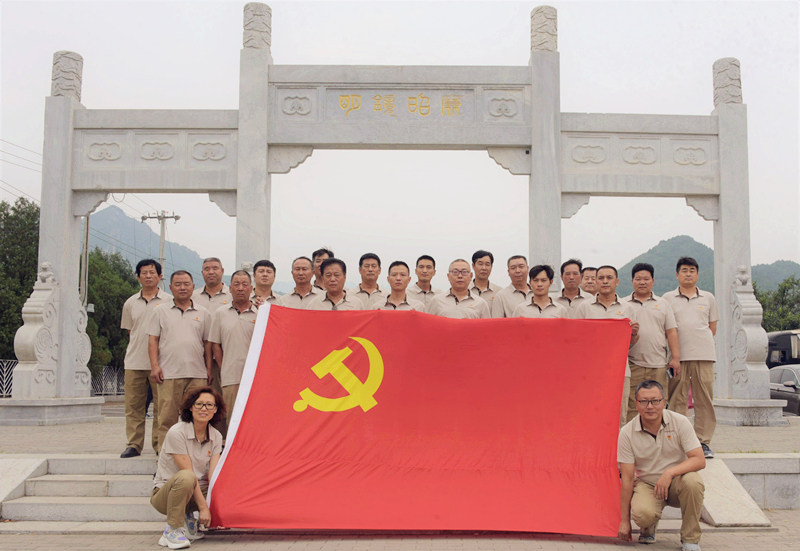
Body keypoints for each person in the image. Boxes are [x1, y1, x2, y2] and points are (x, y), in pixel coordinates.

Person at [618, 380, 705, 551]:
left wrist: (669, 473)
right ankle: (648, 526)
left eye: (655, 401)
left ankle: (690, 539)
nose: (650, 406)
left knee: (693, 482)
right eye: (644, 401)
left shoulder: (680, 422)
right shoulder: (627, 432)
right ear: (636, 403)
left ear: (664, 401)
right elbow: (627, 479)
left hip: (677, 481)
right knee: (643, 515)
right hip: (647, 484)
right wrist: (624, 521)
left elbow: (699, 459)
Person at [150, 386, 226, 549]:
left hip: (195, 492)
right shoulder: (177, 432)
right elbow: (189, 474)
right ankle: (172, 530)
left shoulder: (216, 436)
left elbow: (213, 477)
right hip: (167, 494)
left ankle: (188, 519)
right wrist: (204, 508)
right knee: (187, 477)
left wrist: (220, 509)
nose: (204, 409)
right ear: (191, 407)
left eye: (209, 405)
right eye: (199, 404)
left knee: (227, 482)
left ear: (215, 410)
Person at [147, 270, 212, 454]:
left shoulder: (203, 313)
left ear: (193, 287)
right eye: (178, 284)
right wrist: (155, 366)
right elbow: (153, 340)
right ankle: (164, 455)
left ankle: (195, 454)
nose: (182, 288)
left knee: (198, 417)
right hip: (169, 373)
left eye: (186, 284)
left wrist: (208, 369)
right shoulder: (160, 311)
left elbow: (207, 344)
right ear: (170, 287)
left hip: (197, 374)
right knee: (166, 417)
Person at [663, 257, 719, 459]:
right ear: (677, 275)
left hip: (704, 355)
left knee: (704, 399)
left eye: (692, 270)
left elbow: (712, 328)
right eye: (684, 270)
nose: (688, 274)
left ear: (697, 274)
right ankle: (678, 441)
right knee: (676, 399)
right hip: (677, 357)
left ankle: (703, 442)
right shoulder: (667, 298)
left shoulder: (708, 297)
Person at [574, 265, 639, 428]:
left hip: (620, 370)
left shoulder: (628, 308)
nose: (605, 281)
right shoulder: (584, 307)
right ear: (596, 281)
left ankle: (618, 445)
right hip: (591, 370)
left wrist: (634, 332)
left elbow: (632, 341)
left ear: (617, 281)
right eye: (601, 278)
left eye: (609, 278)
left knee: (619, 414)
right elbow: (577, 340)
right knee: (590, 412)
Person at [120, 259, 172, 459]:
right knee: (134, 406)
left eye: (152, 272)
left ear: (160, 276)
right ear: (137, 277)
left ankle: (159, 444)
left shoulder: (169, 301)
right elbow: (130, 332)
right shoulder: (130, 303)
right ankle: (134, 444)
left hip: (162, 364)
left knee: (162, 407)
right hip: (134, 362)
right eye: (144, 273)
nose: (148, 276)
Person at [623, 263, 681, 423]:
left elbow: (671, 331)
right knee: (632, 405)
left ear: (653, 281)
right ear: (632, 281)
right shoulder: (623, 304)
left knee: (657, 404)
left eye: (646, 279)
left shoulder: (663, 304)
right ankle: (633, 437)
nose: (642, 282)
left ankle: (656, 436)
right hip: (632, 364)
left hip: (658, 364)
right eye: (638, 279)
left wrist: (676, 358)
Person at [208, 271, 257, 429]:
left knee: (254, 417)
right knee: (232, 417)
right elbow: (215, 344)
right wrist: (224, 367)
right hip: (230, 375)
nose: (240, 288)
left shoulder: (260, 313)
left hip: (256, 376)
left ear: (251, 288)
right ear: (230, 288)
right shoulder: (220, 313)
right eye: (236, 284)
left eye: (244, 284)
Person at [191, 258, 229, 418]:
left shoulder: (232, 294)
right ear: (202, 273)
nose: (211, 271)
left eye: (215, 268)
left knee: (224, 401)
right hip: (198, 360)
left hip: (225, 359)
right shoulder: (193, 297)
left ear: (222, 271)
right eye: (207, 269)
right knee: (201, 403)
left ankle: (223, 432)